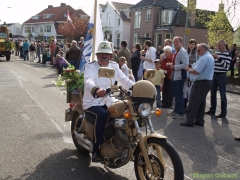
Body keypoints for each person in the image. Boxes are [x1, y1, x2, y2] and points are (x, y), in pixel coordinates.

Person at [83, 41, 134, 162]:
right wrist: (96, 89)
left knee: (125, 111)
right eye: (101, 55)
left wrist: (135, 88)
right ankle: (96, 149)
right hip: (93, 102)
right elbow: (88, 80)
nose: (104, 57)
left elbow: (124, 80)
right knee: (102, 114)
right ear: (97, 56)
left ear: (111, 56)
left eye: (107, 55)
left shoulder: (114, 66)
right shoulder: (91, 66)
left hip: (109, 100)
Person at [180, 43, 214, 127]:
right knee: (201, 102)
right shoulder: (209, 57)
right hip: (207, 82)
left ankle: (189, 120)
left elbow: (197, 71)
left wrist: (188, 69)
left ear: (204, 49)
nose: (197, 52)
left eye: (199, 50)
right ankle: (199, 120)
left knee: (193, 102)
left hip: (201, 82)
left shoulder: (204, 58)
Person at [205, 40, 231, 118]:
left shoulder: (228, 54)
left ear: (224, 45)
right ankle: (212, 110)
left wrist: (218, 58)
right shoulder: (217, 53)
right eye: (217, 45)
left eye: (219, 45)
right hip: (214, 75)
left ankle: (223, 112)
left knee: (222, 94)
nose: (218, 47)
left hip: (222, 75)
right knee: (212, 93)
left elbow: (226, 66)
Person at [167, 36, 189, 119]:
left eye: (177, 42)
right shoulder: (176, 52)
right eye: (174, 42)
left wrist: (174, 67)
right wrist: (171, 66)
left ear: (181, 43)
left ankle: (181, 113)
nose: (175, 43)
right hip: (175, 76)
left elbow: (185, 64)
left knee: (179, 95)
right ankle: (176, 111)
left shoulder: (183, 52)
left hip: (180, 76)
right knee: (176, 95)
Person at [183, 39, 198, 110]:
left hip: (191, 72)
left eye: (193, 44)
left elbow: (196, 63)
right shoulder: (186, 52)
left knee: (190, 90)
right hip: (185, 72)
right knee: (184, 90)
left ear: (195, 45)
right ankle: (184, 105)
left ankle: (190, 107)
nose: (191, 45)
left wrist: (189, 66)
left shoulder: (196, 53)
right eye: (190, 44)